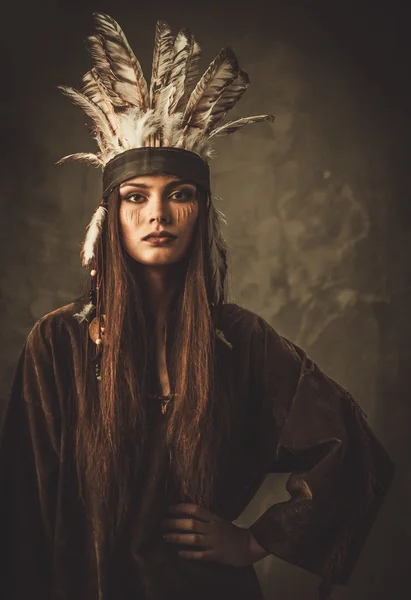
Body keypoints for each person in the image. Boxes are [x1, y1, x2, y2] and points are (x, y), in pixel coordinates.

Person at [0, 12, 394, 600]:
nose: (157, 214)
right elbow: (22, 520)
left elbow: (353, 450)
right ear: (111, 219)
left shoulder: (240, 340)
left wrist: (254, 541)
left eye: (178, 195)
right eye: (136, 198)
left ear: (201, 213)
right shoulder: (57, 344)